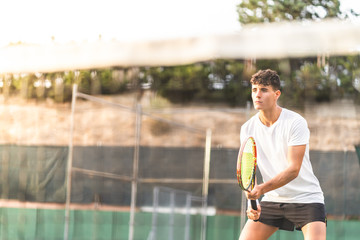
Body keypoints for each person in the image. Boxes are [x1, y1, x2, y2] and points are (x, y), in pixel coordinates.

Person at [239, 69, 326, 240]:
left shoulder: (295, 122)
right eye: (254, 89)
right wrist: (252, 203)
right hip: (272, 200)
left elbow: (294, 169)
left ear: (276, 94)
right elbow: (249, 171)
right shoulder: (247, 129)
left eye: (264, 90)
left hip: (307, 198)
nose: (257, 95)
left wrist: (261, 189)